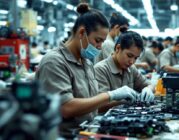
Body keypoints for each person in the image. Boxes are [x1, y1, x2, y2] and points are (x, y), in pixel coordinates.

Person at [36, 3, 138, 138]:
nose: (100, 47)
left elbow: (92, 103)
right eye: (98, 40)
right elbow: (65, 108)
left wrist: (119, 100)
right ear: (82, 33)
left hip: (87, 132)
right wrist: (110, 95)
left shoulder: (87, 64)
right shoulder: (54, 62)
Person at [94, 31, 155, 111]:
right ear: (118, 48)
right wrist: (122, 100)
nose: (132, 61)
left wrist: (149, 89)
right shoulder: (100, 69)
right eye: (129, 56)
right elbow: (99, 105)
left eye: (136, 58)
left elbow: (149, 84)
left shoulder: (131, 68)